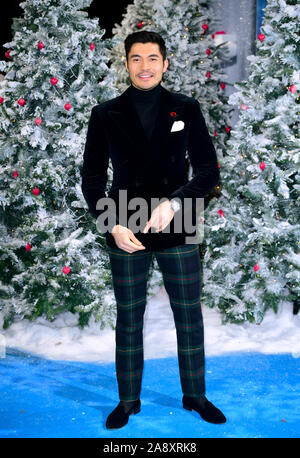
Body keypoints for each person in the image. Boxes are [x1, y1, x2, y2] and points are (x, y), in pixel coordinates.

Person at [81, 30, 226, 429]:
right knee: (129, 316)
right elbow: (92, 178)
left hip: (177, 220)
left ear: (165, 62)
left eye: (152, 58)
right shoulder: (104, 113)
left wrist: (175, 202)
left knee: (188, 314)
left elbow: (209, 170)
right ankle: (128, 401)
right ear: (126, 63)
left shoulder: (186, 108)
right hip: (124, 224)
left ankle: (195, 395)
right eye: (136, 58)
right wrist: (110, 224)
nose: (144, 66)